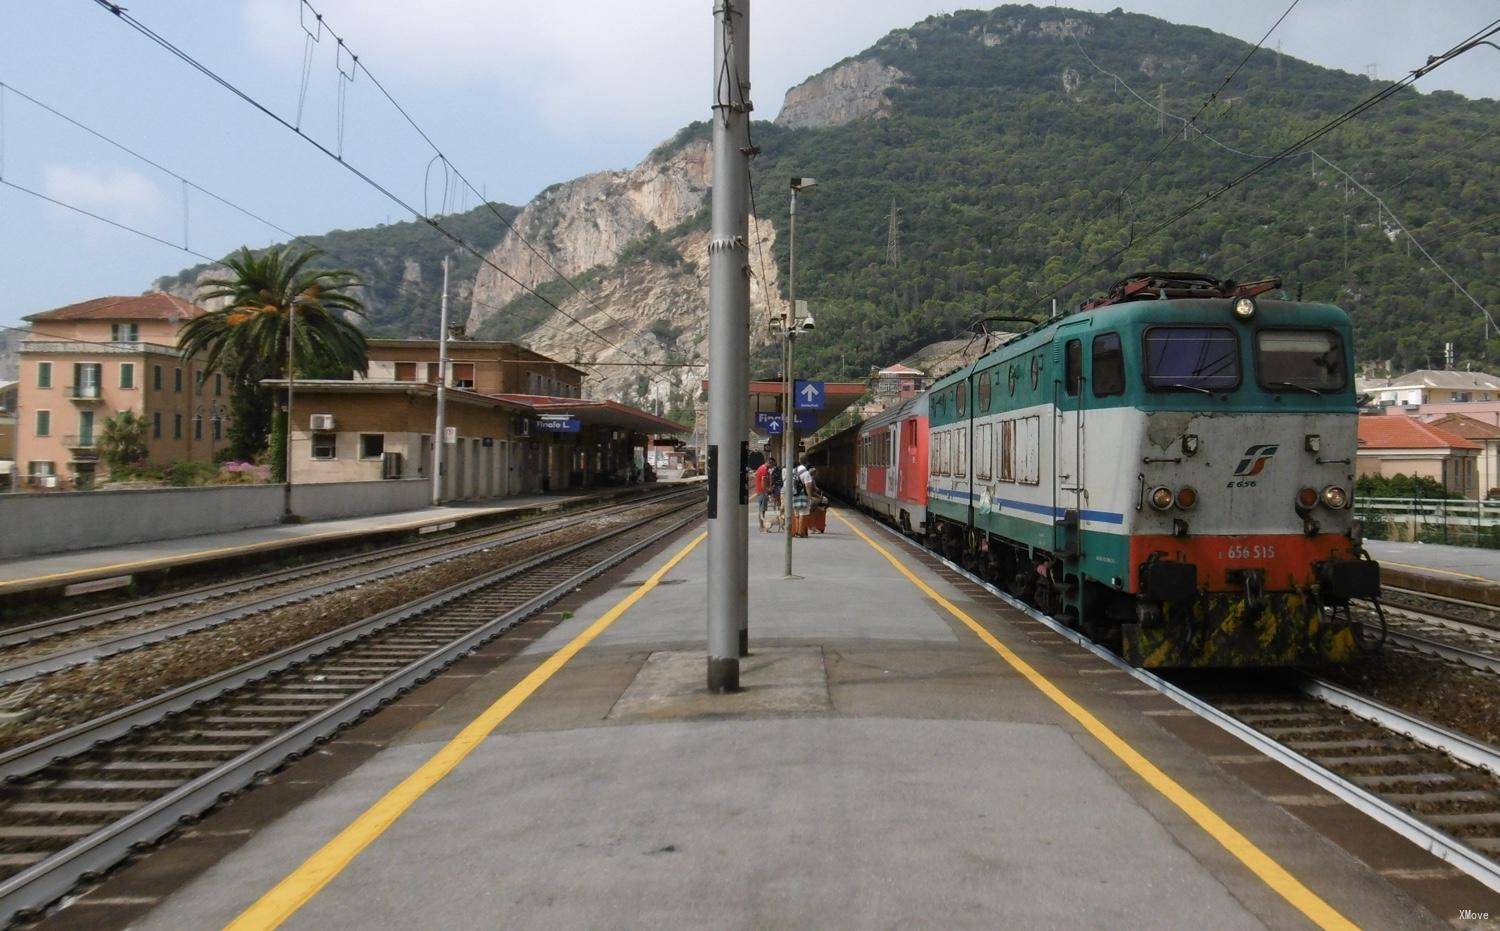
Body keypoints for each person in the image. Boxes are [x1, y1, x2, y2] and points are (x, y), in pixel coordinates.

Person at [754, 456, 776, 531]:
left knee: (762, 509)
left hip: (761, 491)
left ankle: (762, 526)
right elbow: (763, 481)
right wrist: (766, 490)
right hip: (762, 492)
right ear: (769, 463)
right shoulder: (764, 469)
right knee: (762, 509)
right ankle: (761, 527)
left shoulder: (762, 468)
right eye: (772, 465)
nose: (772, 467)